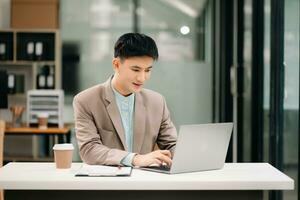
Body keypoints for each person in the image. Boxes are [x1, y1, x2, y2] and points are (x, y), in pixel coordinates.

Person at [73, 33, 177, 167]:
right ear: (116, 64)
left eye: (147, 70)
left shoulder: (157, 102)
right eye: (136, 69)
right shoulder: (85, 101)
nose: (142, 78)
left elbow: (171, 144)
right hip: (105, 183)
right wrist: (135, 159)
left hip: (146, 182)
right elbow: (89, 150)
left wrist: (192, 154)